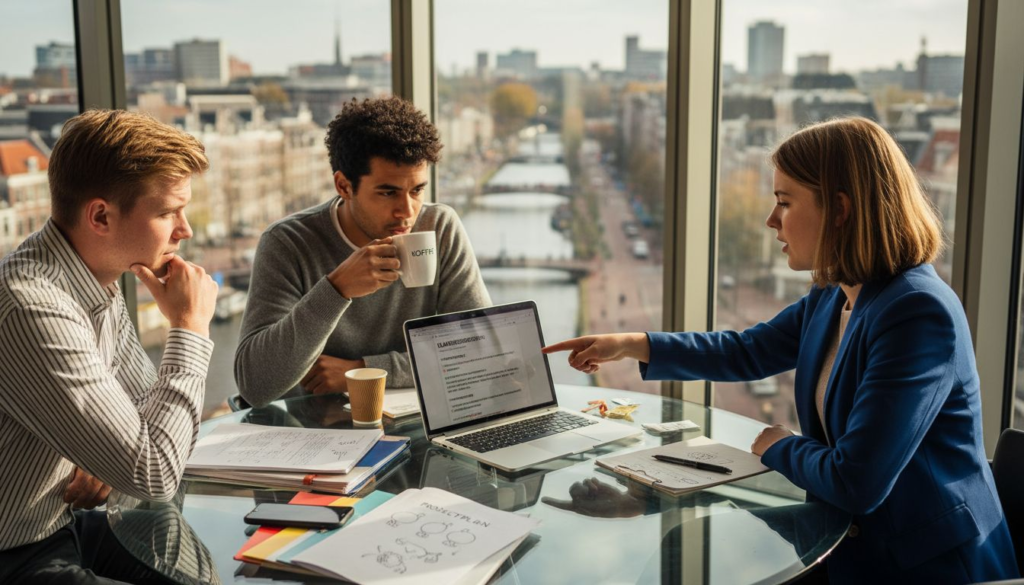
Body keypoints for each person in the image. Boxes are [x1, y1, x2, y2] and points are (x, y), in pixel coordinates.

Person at [544, 117, 1019, 583]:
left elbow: (858, 482)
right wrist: (631, 345)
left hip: (926, 566)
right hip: (852, 544)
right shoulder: (836, 291)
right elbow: (748, 351)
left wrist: (780, 445)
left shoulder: (916, 313)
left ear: (840, 209)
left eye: (784, 202)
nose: (771, 220)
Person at [0, 110, 219, 583]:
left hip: (74, 520)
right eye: (167, 212)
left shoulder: (98, 277)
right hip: (17, 551)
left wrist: (110, 454)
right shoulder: (33, 307)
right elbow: (155, 470)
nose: (186, 230)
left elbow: (142, 422)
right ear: (100, 216)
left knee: (209, 571)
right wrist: (190, 328)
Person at [235, 97, 490, 407]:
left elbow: (480, 353)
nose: (407, 212)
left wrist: (363, 370)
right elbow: (256, 386)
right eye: (388, 192)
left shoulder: (440, 227)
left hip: (412, 427)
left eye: (417, 190)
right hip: (310, 435)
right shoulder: (288, 243)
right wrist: (336, 290)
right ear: (344, 186)